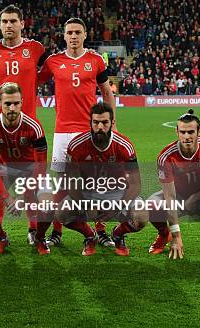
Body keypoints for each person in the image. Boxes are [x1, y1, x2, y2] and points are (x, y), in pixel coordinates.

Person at [39, 17, 117, 247]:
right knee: (62, 184)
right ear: (64, 36)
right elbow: (35, 80)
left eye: (77, 32)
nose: (73, 36)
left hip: (90, 130)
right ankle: (57, 231)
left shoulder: (95, 60)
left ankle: (100, 230)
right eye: (69, 32)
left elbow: (107, 92)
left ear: (84, 35)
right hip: (63, 131)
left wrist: (111, 122)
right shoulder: (54, 61)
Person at [0, 4, 48, 245]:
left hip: (28, 124)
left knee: (33, 179)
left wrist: (35, 83)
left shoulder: (35, 48)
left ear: (22, 23)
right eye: (4, 21)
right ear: (0, 24)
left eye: (12, 21)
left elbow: (51, 69)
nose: (8, 25)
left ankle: (33, 229)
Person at [56, 102, 148, 256]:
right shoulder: (76, 145)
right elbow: (71, 182)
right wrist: (85, 204)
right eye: (96, 122)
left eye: (104, 122)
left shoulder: (124, 146)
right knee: (61, 214)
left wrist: (116, 208)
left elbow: (135, 184)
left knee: (142, 216)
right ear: (90, 123)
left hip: (117, 192)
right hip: (88, 193)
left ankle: (118, 234)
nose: (100, 127)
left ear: (112, 123)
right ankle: (89, 235)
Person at [0, 83, 52, 255]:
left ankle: (39, 236)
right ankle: (0, 236)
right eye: (7, 104)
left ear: (22, 102)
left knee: (49, 202)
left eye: (16, 103)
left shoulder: (34, 127)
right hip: (2, 167)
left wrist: (22, 194)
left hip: (31, 168)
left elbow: (41, 164)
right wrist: (7, 197)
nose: (12, 108)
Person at [147, 109, 200, 258]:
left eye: (191, 132)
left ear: (199, 131)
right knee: (151, 204)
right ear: (177, 132)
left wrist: (195, 198)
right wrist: (176, 236)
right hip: (178, 197)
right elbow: (169, 196)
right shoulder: (166, 156)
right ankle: (164, 235)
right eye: (182, 132)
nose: (186, 136)